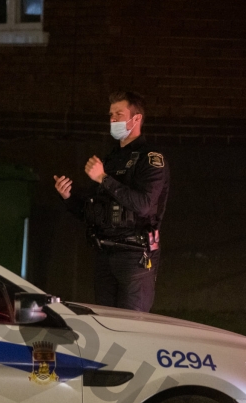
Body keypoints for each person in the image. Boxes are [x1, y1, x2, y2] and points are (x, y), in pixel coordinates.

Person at [53, 91, 169, 313]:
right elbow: (94, 211)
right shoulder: (110, 158)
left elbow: (144, 205)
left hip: (135, 256)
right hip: (105, 254)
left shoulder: (151, 159)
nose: (113, 120)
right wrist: (68, 197)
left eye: (119, 114)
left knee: (132, 327)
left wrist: (103, 178)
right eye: (110, 115)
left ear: (136, 119)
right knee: (106, 325)